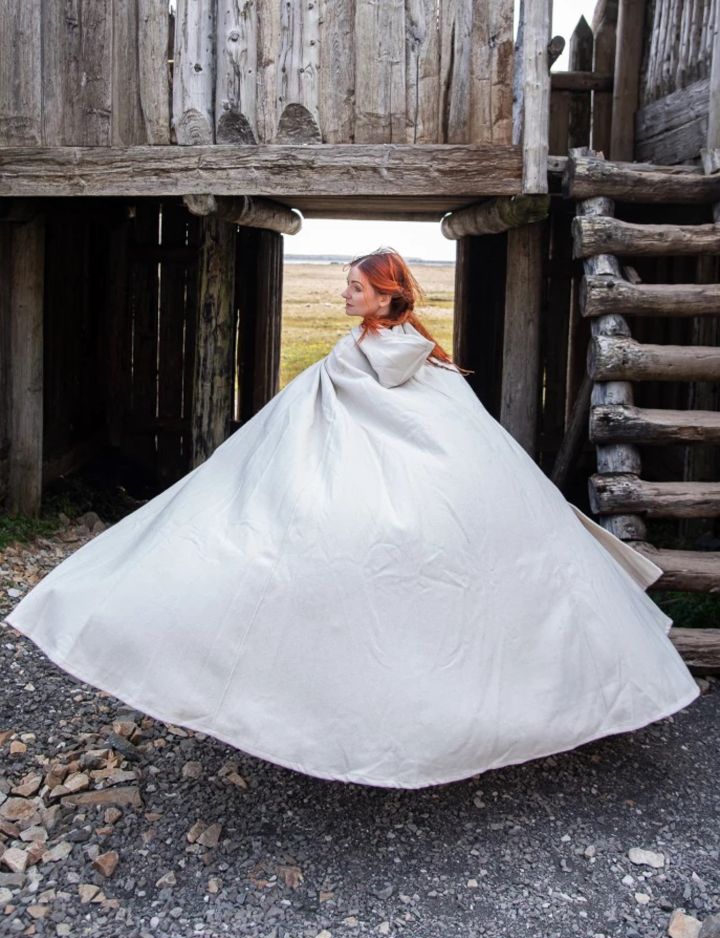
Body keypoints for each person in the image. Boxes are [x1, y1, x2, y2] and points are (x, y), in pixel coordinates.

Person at [2, 247, 700, 790]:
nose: (344, 294)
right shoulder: (409, 355)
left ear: (387, 294)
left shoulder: (385, 357)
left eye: (356, 288)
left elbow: (392, 432)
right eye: (344, 285)